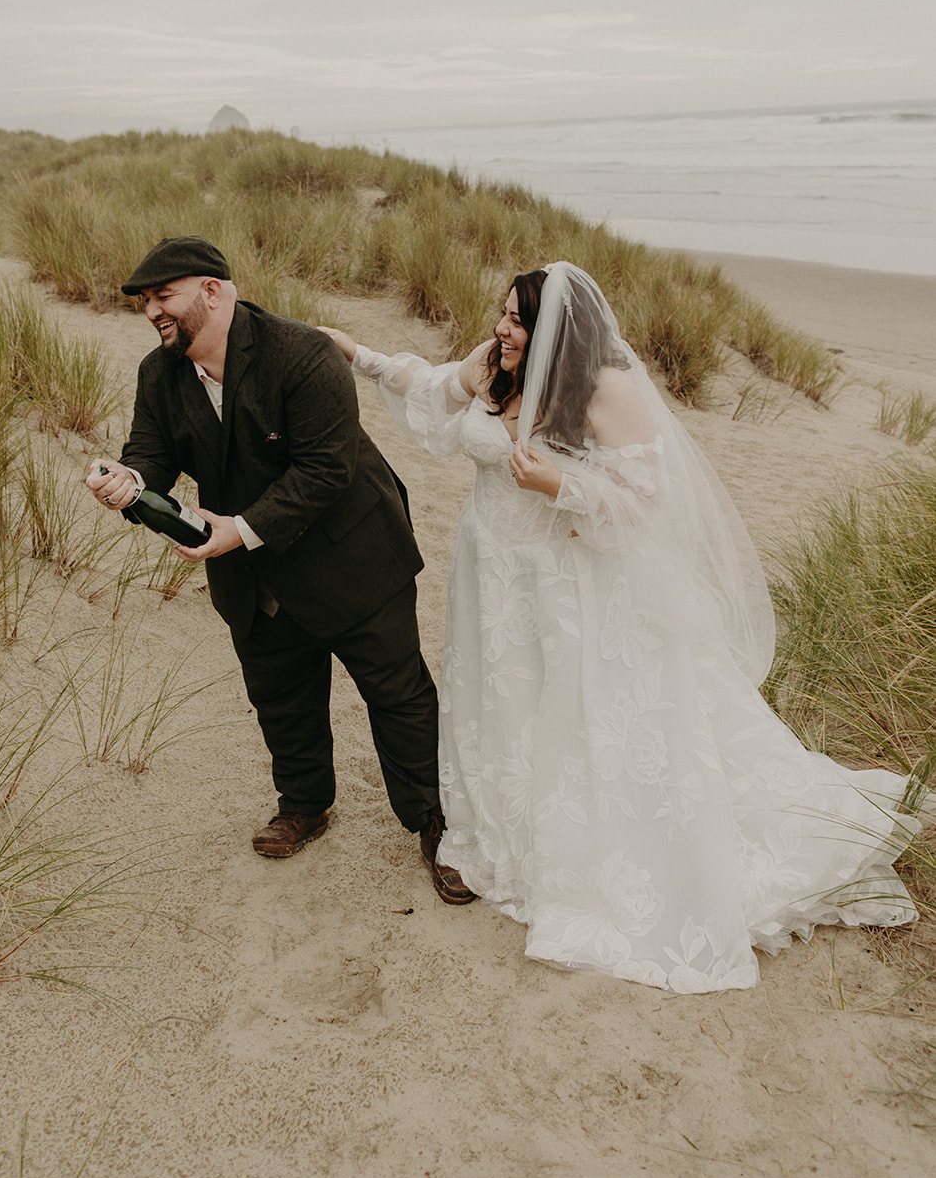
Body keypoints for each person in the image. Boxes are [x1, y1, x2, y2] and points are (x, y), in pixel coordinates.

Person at [322, 261, 927, 992]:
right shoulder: (495, 367)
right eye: (501, 314)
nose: (499, 329)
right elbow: (426, 386)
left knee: (580, 714)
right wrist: (355, 353)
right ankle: (507, 828)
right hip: (492, 581)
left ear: (556, 332)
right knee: (506, 702)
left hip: (568, 584)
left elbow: (647, 503)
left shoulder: (609, 390)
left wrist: (559, 484)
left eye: (517, 319)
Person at [86, 235, 475, 904]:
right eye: (145, 301)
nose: (152, 310)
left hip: (352, 553)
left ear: (212, 291)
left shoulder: (301, 352)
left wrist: (239, 528)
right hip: (252, 573)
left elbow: (327, 469)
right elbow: (149, 452)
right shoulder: (161, 373)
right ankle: (303, 804)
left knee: (397, 693)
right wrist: (128, 482)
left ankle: (438, 822)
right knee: (280, 693)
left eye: (163, 296)